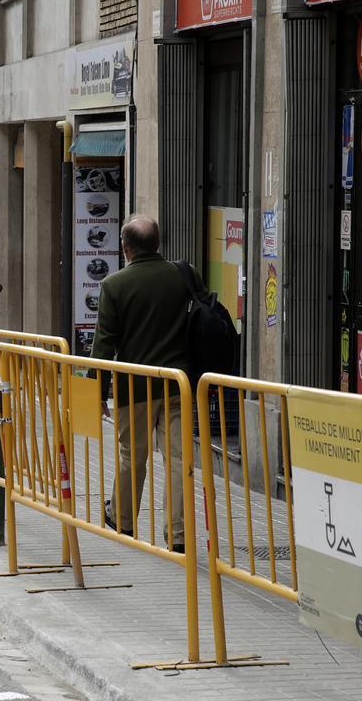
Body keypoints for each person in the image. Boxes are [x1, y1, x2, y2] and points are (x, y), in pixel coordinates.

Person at [92, 215, 202, 554]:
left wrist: (96, 392)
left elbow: (104, 344)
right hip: (178, 385)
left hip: (134, 388)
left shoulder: (114, 285)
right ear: (158, 243)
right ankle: (179, 534)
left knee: (131, 456)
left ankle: (123, 520)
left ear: (125, 247)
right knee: (179, 460)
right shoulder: (185, 275)